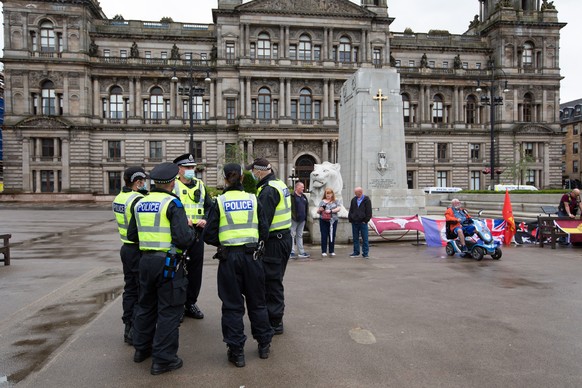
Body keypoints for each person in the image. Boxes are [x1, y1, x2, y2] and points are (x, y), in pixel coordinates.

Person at [127, 162, 195, 376]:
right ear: (172, 182)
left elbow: (132, 236)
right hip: (168, 264)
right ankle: (163, 360)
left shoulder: (140, 203)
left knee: (146, 305)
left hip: (145, 261)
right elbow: (184, 239)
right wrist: (191, 231)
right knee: (169, 310)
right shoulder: (172, 204)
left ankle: (141, 350)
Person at [204, 163, 273, 368]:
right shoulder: (253, 199)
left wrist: (225, 242)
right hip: (253, 257)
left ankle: (237, 353)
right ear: (242, 178)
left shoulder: (220, 201)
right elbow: (264, 231)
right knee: (258, 302)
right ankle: (263, 345)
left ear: (225, 179)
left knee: (232, 306)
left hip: (229, 258)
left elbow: (208, 234)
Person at [245, 158, 292, 335]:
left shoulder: (268, 191)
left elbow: (263, 223)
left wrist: (256, 242)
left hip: (274, 241)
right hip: (283, 238)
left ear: (259, 171)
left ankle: (275, 321)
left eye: (253, 171)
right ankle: (274, 317)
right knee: (274, 279)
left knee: (272, 282)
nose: (252, 174)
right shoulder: (279, 184)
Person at [172, 153, 212, 320]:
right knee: (178, 271)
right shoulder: (173, 185)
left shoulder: (200, 185)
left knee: (195, 271)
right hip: (180, 234)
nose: (191, 170)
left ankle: (190, 303)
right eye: (187, 167)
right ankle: (178, 306)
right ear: (179, 169)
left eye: (192, 167)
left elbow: (210, 207)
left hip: (197, 234)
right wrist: (182, 220)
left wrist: (205, 219)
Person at [112, 166, 148, 345]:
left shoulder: (119, 198)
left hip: (126, 247)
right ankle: (136, 329)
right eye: (143, 180)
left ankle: (128, 326)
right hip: (138, 248)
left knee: (130, 288)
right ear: (137, 181)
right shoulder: (137, 200)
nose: (144, 183)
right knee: (141, 290)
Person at [348, 187, 372, 258]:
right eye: (355, 193)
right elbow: (351, 210)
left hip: (363, 222)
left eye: (356, 193)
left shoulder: (366, 200)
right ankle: (356, 252)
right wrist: (350, 218)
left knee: (365, 238)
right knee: (355, 238)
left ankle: (365, 253)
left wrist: (366, 220)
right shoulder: (353, 200)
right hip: (354, 222)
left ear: (360, 192)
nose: (355, 194)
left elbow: (369, 211)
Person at [317, 188, 341, 257]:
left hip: (333, 220)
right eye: (327, 193)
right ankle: (324, 251)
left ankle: (331, 251)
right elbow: (318, 212)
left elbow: (339, 208)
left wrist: (331, 211)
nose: (328, 195)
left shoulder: (336, 201)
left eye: (329, 193)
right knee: (324, 235)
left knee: (332, 235)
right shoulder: (322, 202)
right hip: (323, 220)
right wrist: (320, 210)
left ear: (332, 194)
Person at [290, 181, 310, 259]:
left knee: (299, 235)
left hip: (302, 220)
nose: (303, 188)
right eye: (302, 187)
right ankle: (291, 251)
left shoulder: (304, 197)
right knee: (291, 235)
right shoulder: (292, 196)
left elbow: (306, 207)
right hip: (294, 219)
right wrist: (293, 216)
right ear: (297, 187)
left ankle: (301, 252)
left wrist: (306, 217)